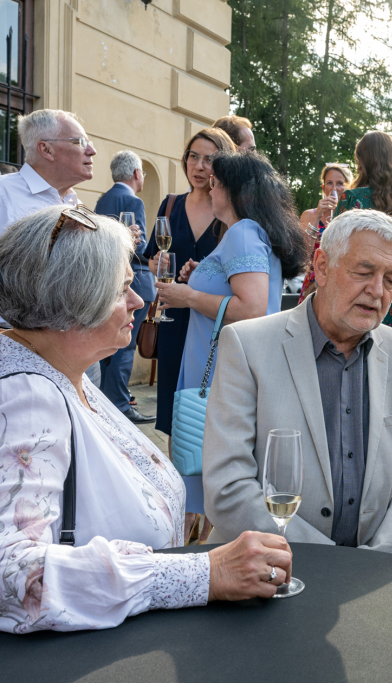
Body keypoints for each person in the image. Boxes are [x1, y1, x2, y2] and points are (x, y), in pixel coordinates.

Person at [0, 205, 294, 631]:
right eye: (122, 289)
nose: (139, 301)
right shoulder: (21, 398)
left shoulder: (49, 366)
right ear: (73, 301)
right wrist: (204, 574)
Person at [203, 209, 392, 555]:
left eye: (390, 280)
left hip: (372, 574)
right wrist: (328, 562)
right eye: (364, 272)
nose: (377, 291)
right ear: (323, 266)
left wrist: (383, 556)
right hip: (263, 572)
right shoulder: (246, 345)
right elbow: (228, 485)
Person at [156, 151, 307, 542]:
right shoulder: (245, 232)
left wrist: (188, 296)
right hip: (222, 364)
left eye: (218, 182)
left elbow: (252, 308)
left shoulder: (242, 232)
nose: (209, 186)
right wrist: (198, 276)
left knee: (216, 476)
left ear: (237, 191)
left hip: (222, 369)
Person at [0, 108, 92, 354]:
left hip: (77, 341)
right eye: (80, 142)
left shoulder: (74, 204)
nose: (91, 150)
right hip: (19, 343)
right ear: (46, 149)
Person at [143, 128, 235, 442]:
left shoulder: (230, 213)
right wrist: (156, 265)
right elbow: (153, 257)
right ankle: (177, 481)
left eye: (209, 160)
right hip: (172, 322)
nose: (198, 166)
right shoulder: (170, 205)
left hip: (213, 325)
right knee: (174, 418)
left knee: (211, 417)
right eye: (193, 157)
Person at [298, 131, 392, 337]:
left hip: (353, 296)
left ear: (362, 162)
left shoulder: (351, 199)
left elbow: (333, 251)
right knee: (389, 359)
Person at [94, 150, 155, 424]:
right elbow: (137, 247)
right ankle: (119, 404)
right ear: (136, 174)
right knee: (125, 345)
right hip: (135, 281)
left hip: (106, 280)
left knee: (107, 344)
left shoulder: (102, 199)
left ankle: (107, 399)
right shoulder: (133, 201)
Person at [299, 162, 353, 233]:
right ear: (324, 188)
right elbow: (305, 244)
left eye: (340, 183)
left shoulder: (354, 218)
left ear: (349, 188)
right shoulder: (308, 215)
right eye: (329, 183)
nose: (334, 189)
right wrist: (317, 217)